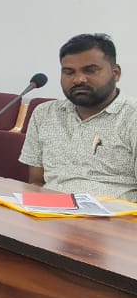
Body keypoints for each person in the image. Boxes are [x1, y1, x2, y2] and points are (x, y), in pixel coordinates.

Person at [20, 33, 137, 201]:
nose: (78, 79)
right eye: (69, 72)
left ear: (116, 73)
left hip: (115, 214)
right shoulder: (44, 113)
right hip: (50, 210)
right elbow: (36, 182)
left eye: (90, 70)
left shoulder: (132, 117)